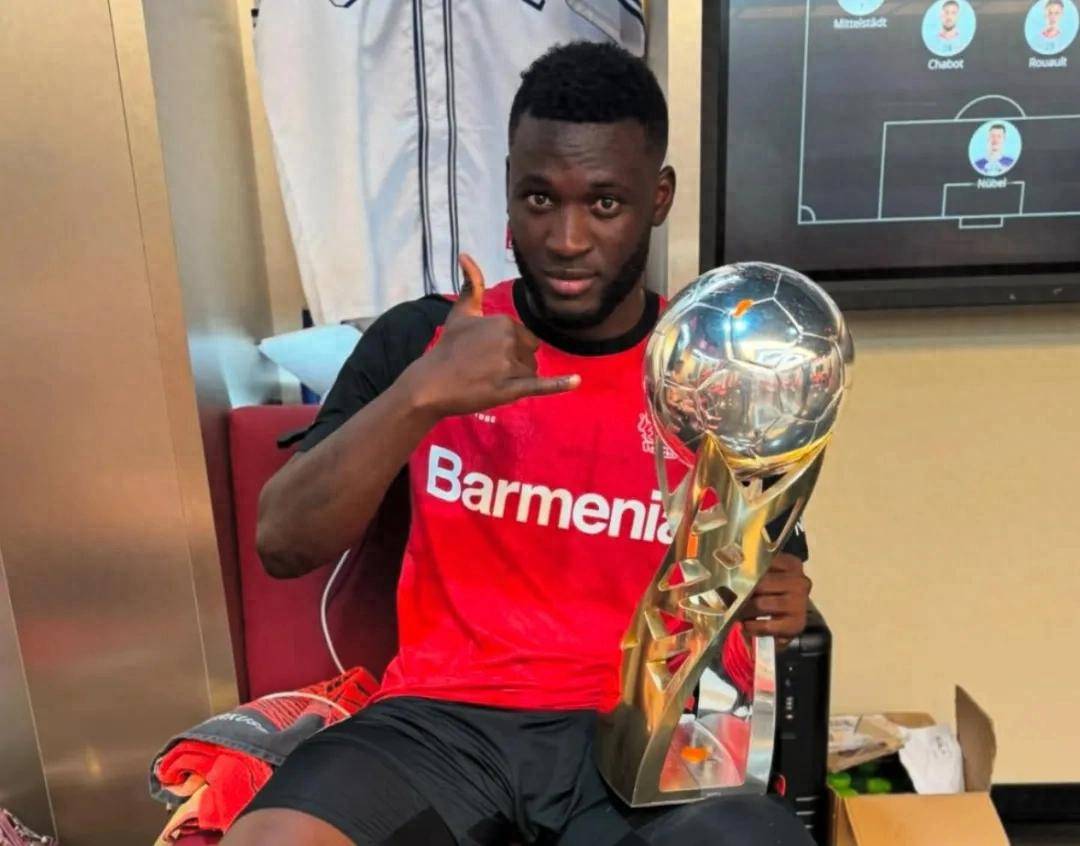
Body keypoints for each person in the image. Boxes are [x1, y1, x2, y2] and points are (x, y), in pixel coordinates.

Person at [224, 42, 815, 846]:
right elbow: (282, 542)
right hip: (441, 728)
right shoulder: (426, 339)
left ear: (658, 198)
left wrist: (784, 598)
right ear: (508, 188)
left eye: (604, 203)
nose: (567, 239)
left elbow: (770, 572)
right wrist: (421, 394)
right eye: (540, 198)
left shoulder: (714, 369)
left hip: (645, 735)